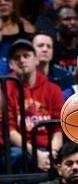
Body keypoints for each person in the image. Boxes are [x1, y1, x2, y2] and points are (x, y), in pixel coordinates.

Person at [6, 39, 63, 172]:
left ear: (36, 60)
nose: (22, 60)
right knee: (16, 155)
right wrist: (36, 154)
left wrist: (52, 153)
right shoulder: (5, 89)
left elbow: (58, 129)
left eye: (26, 56)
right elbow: (10, 131)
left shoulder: (53, 89)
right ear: (11, 64)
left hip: (48, 147)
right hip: (22, 148)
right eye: (17, 57)